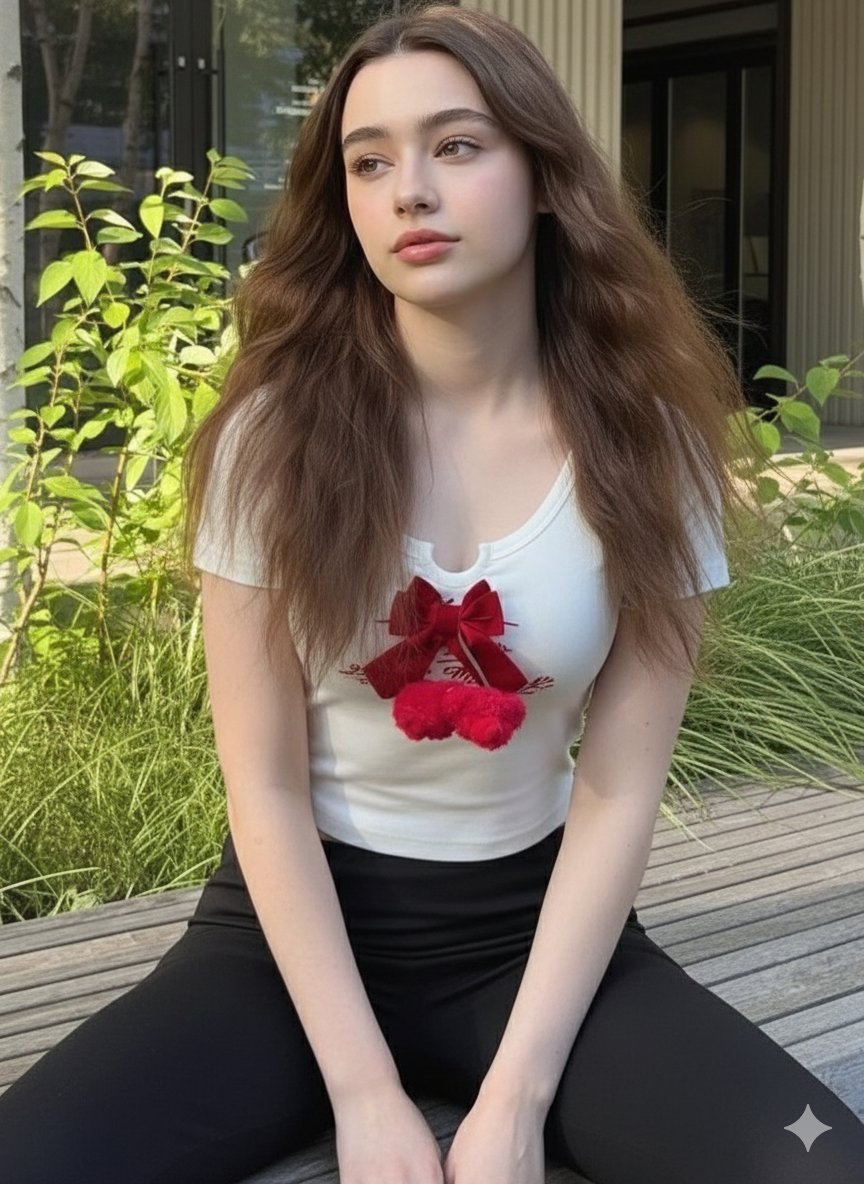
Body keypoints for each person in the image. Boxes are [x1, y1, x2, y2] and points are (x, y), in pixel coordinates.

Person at [2, 5, 863, 1183]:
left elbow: (620, 790)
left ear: (545, 176)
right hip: (285, 948)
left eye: (457, 146)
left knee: (820, 1161)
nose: (409, 190)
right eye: (369, 162)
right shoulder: (272, 440)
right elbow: (262, 783)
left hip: (535, 940)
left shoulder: (649, 450)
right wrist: (364, 1092)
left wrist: (517, 1097)